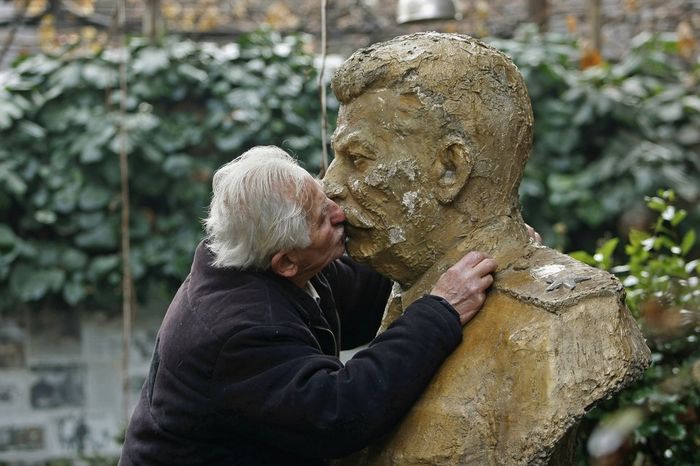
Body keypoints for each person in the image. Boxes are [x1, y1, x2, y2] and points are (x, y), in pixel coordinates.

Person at [323, 32, 650, 465]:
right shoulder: (405, 288)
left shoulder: (573, 319)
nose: (329, 184)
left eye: (359, 158)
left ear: (450, 169)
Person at [118, 145, 498, 466]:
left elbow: (365, 298)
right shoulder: (239, 334)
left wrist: (459, 253)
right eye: (323, 219)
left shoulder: (269, 263)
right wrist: (441, 309)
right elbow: (341, 412)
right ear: (285, 262)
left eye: (323, 196)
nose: (341, 214)